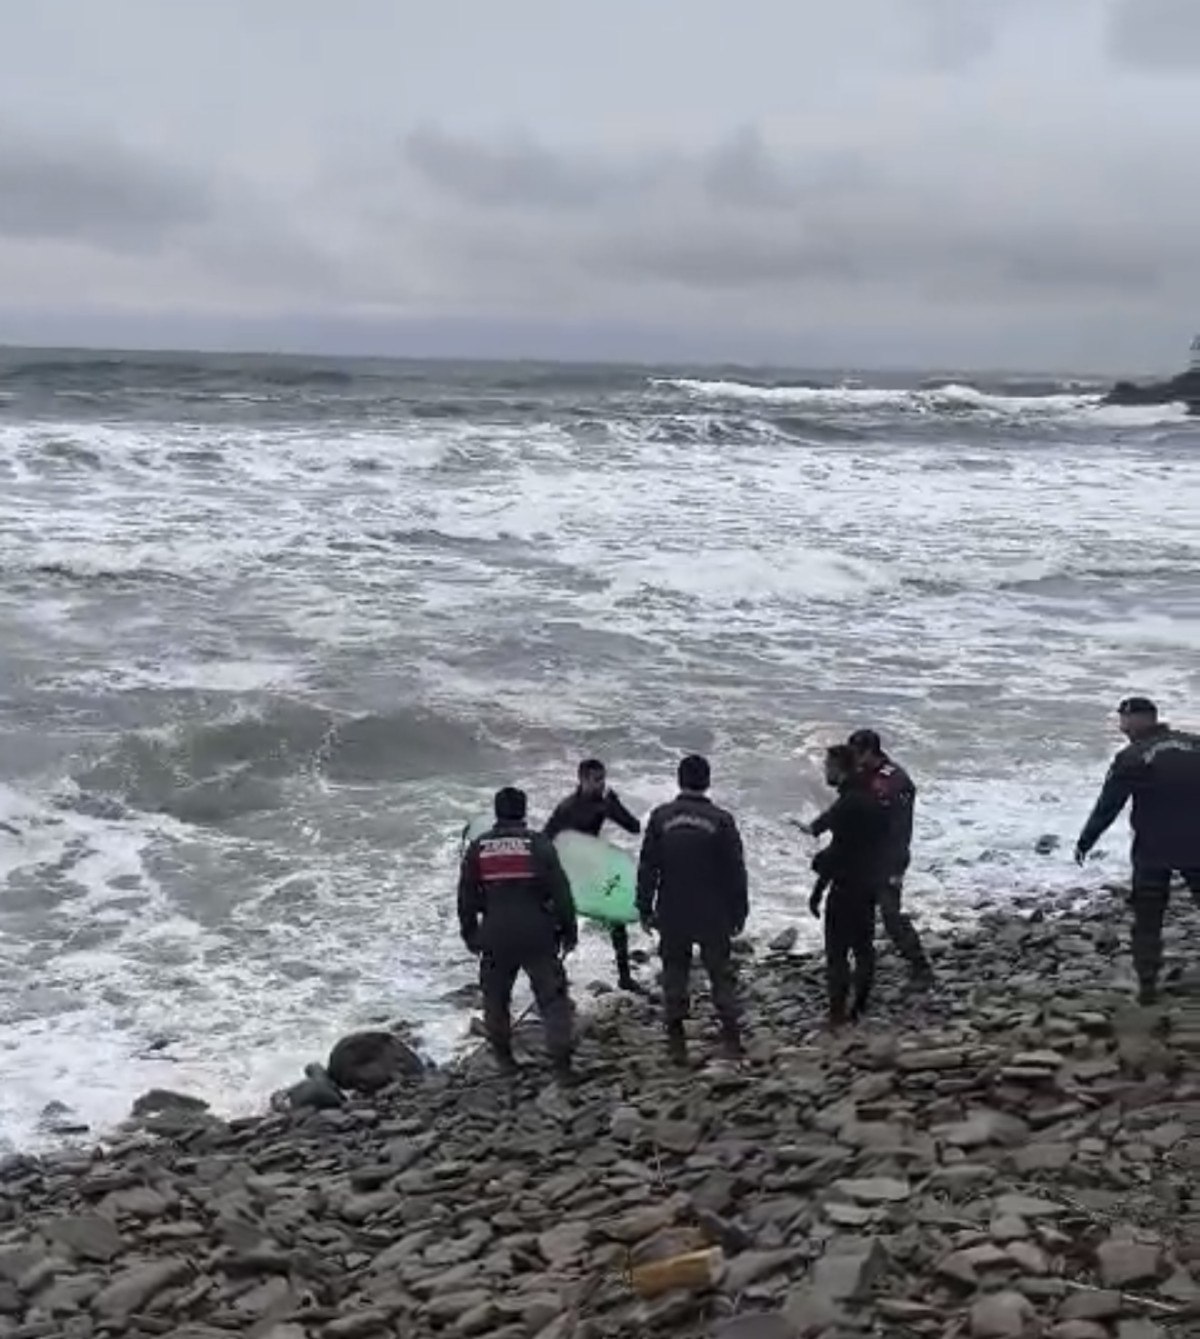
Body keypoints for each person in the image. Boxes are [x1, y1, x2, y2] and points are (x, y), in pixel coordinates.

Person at [1074, 697, 1200, 1005]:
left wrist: (1086, 841)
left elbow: (1109, 805)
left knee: (1148, 917)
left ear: (1135, 720)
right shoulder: (1196, 745)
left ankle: (1146, 986)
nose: (1121, 726)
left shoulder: (1131, 757)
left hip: (1153, 848)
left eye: (1123, 720)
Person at [458, 786, 578, 1079]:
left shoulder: (479, 847)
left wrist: (470, 934)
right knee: (552, 998)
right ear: (523, 812)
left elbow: (466, 897)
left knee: (496, 998)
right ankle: (561, 1066)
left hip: (496, 933)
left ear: (497, 812)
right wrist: (569, 931)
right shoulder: (538, 844)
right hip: (537, 931)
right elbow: (561, 893)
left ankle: (505, 1061)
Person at [636, 754, 748, 1066]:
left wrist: (644, 907)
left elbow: (648, 867)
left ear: (679, 780)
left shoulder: (661, 817)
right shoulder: (721, 820)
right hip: (714, 912)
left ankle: (676, 1043)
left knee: (674, 974)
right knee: (720, 973)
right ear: (708, 781)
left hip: (673, 910)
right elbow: (735, 870)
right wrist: (740, 911)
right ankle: (732, 1040)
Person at [807, 744, 890, 1027]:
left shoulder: (847, 803)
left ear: (839, 769)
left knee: (837, 954)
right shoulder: (872, 798)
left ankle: (837, 1013)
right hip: (869, 884)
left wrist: (817, 891)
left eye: (827, 767)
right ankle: (860, 1007)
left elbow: (837, 852)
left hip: (845, 887)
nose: (825, 773)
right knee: (864, 948)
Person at [544, 759, 644, 991]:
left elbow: (634, 827)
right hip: (568, 869)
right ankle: (555, 976)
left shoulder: (604, 804)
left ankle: (625, 977)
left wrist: (616, 805)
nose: (601, 785)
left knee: (616, 917)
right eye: (596, 780)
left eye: (603, 779)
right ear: (582, 779)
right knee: (559, 922)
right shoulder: (566, 807)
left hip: (592, 865)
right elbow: (546, 839)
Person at [846, 729, 934, 989]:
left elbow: (900, 829)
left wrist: (895, 866)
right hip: (864, 857)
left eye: (856, 754)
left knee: (891, 916)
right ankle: (863, 969)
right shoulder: (863, 776)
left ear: (869, 752)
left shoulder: (896, 781)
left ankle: (921, 967)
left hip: (888, 859)